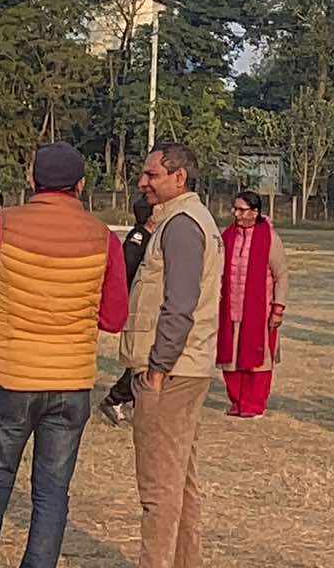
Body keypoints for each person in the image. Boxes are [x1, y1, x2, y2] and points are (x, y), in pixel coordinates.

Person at [0, 143, 130, 568]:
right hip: (71, 385)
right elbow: (114, 318)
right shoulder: (103, 238)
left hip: (12, 379)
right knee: (52, 494)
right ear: (81, 185)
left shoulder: (2, 226)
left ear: (32, 180)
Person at [123, 142, 222, 568]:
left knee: (159, 488)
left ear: (179, 177)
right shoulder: (188, 220)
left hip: (172, 372)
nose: (143, 182)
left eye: (152, 175)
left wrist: (157, 371)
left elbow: (179, 305)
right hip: (185, 367)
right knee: (180, 482)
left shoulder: (181, 226)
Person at [218, 191, 288, 418]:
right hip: (231, 310)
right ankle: (237, 401)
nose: (236, 213)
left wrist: (278, 308)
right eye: (235, 209)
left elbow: (281, 276)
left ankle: (254, 404)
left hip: (259, 312)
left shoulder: (270, 238)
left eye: (242, 209)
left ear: (255, 212)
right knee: (231, 358)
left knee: (257, 359)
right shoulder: (228, 236)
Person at [99, 195, 156, 426]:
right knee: (142, 361)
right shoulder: (138, 237)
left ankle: (129, 400)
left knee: (148, 358)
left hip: (150, 305)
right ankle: (117, 398)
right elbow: (126, 271)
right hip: (138, 305)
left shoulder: (154, 236)